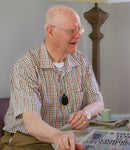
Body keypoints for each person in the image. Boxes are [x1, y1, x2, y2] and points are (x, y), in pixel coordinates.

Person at [0, 5, 104, 150]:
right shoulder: (26, 65)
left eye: (79, 29)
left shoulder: (81, 60)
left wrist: (85, 114)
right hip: (27, 140)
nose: (79, 35)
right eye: (71, 31)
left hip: (68, 138)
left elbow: (98, 102)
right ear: (50, 31)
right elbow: (31, 121)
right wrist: (57, 136)